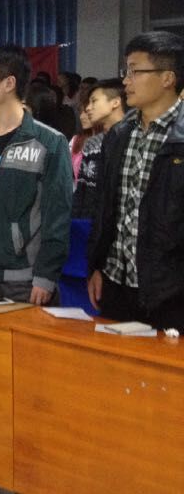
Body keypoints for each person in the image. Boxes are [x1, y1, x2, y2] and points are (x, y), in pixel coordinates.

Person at [0, 46, 73, 305]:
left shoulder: (49, 142)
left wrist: (46, 275)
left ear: (9, 83)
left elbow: (57, 215)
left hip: (23, 280)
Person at [88, 31, 184, 329]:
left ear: (167, 78)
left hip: (170, 293)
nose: (126, 81)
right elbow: (105, 209)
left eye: (134, 71)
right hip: (115, 285)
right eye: (125, 71)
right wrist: (96, 267)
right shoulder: (119, 135)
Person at [73, 79, 124, 218]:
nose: (88, 108)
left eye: (94, 101)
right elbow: (81, 190)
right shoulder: (92, 143)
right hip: (88, 221)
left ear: (115, 102)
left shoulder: (130, 140)